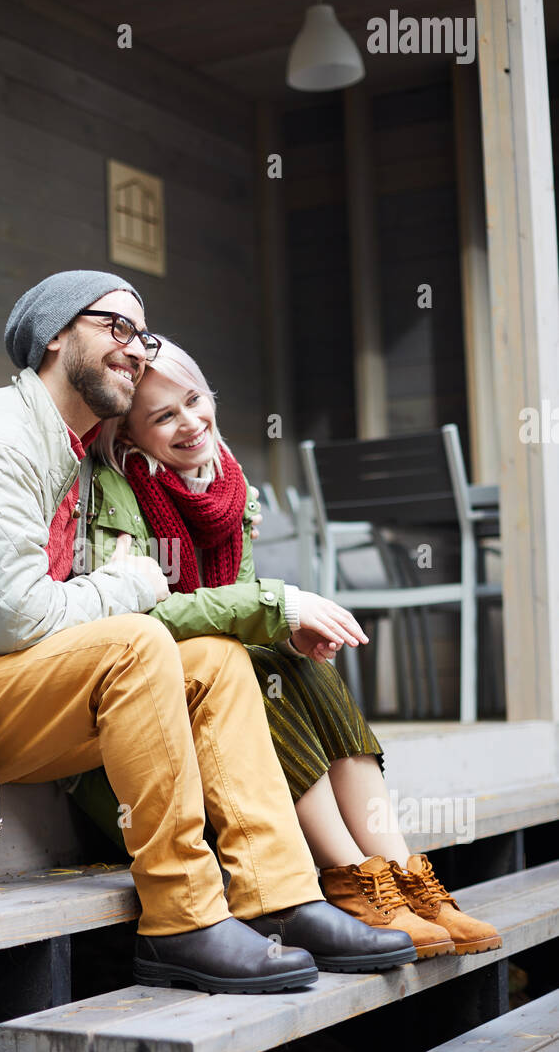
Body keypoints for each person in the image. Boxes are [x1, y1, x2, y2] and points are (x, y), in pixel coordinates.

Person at [0, 270, 420, 997]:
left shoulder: (75, 452)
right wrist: (131, 585)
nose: (135, 349)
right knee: (138, 641)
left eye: (144, 333)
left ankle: (282, 898)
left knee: (217, 659)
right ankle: (184, 920)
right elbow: (14, 620)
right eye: (115, 328)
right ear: (55, 336)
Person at [68, 337, 502, 958]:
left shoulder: (226, 486)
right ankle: (349, 876)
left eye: (194, 401)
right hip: (148, 737)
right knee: (247, 664)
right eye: (164, 416)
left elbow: (235, 611)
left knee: (298, 663)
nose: (190, 422)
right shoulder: (116, 493)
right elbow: (146, 619)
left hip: (213, 708)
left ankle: (398, 872)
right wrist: (277, 607)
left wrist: (284, 624)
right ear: (131, 437)